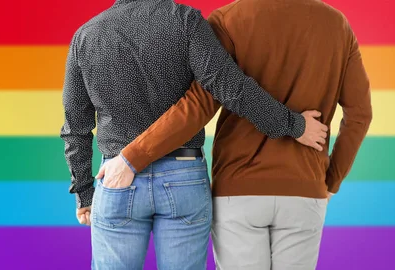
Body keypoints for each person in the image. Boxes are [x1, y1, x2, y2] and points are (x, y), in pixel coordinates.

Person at [59, 0, 328, 269]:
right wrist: (294, 125)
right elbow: (231, 87)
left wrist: (84, 193)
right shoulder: (185, 21)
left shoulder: (86, 36)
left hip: (117, 179)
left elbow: (75, 129)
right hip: (183, 178)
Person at [115, 0, 373, 269]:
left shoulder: (228, 20)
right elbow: (360, 114)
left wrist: (133, 156)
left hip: (237, 190)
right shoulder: (337, 24)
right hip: (305, 188)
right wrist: (332, 180)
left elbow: (199, 106)